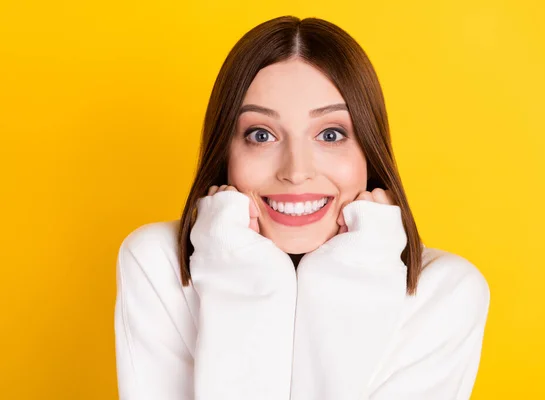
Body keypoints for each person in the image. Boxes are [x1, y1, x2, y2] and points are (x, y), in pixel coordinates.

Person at [114, 15, 491, 400]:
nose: (296, 171)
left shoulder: (446, 293)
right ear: (226, 151)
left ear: (369, 153)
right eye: (261, 135)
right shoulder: (158, 264)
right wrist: (242, 276)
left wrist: (352, 278)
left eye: (331, 134)